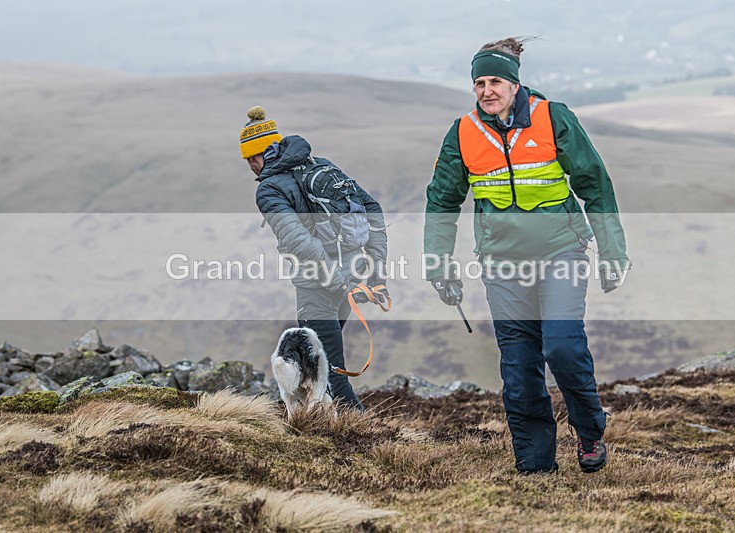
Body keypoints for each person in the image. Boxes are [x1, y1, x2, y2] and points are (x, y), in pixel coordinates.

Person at [423, 38, 629, 474]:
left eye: (495, 80)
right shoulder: (462, 133)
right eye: (479, 82)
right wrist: (438, 264)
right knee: (518, 369)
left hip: (561, 251)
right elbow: (441, 201)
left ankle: (590, 431)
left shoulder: (552, 118)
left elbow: (595, 184)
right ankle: (536, 466)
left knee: (562, 347)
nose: (486, 90)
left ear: (515, 84)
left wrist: (612, 252)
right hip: (502, 264)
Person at [240, 106, 388, 411]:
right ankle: (320, 423)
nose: (250, 168)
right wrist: (374, 270)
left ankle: (360, 433)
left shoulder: (268, 188)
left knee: (329, 369)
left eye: (248, 161)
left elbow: (297, 241)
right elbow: (372, 208)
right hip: (349, 279)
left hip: (318, 286)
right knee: (324, 362)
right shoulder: (321, 166)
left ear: (257, 157)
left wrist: (336, 281)